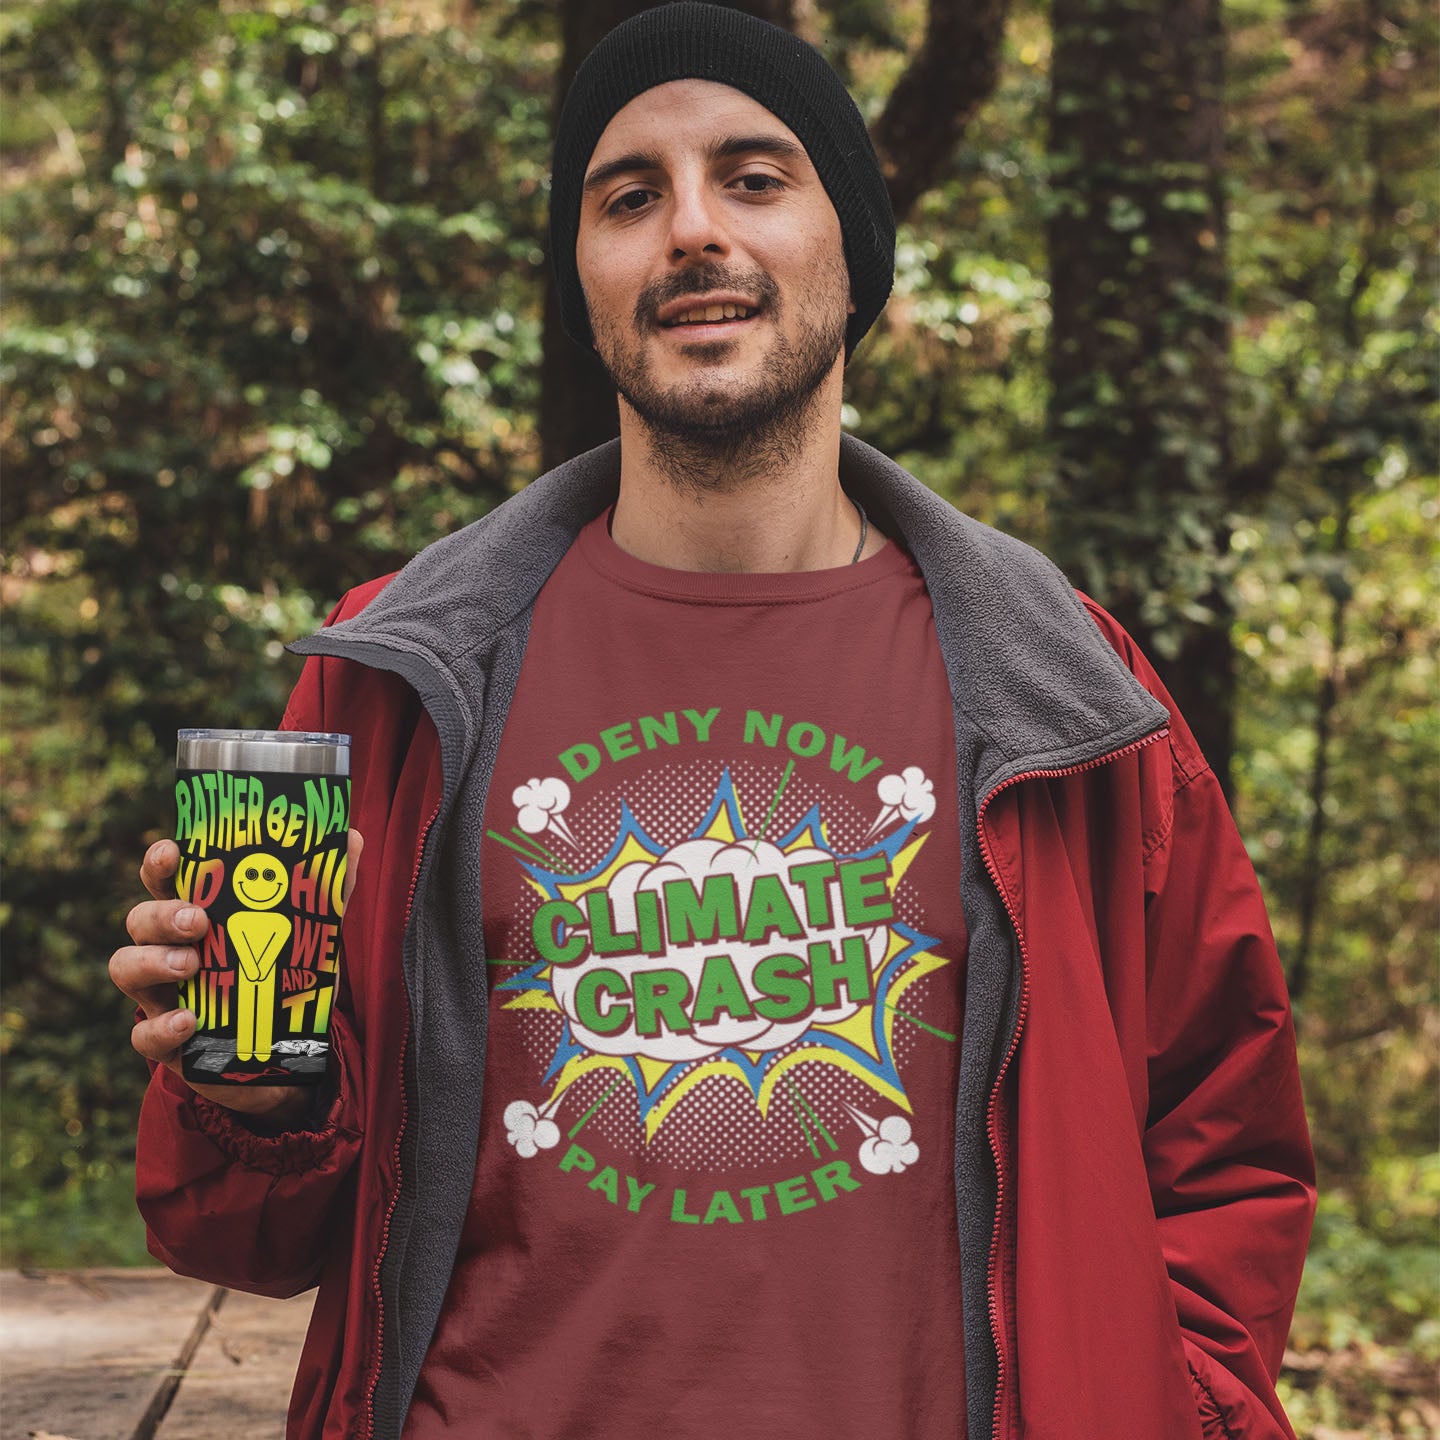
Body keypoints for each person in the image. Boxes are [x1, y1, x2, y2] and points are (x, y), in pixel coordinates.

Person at [110, 6, 1315, 1437]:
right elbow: (248, 1237)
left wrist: (1179, 1408)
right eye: (630, 197)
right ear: (584, 273)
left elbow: (1227, 1147)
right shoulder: (401, 677)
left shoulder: (1067, 690)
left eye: (753, 178)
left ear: (850, 247)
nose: (692, 230)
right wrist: (245, 1094)